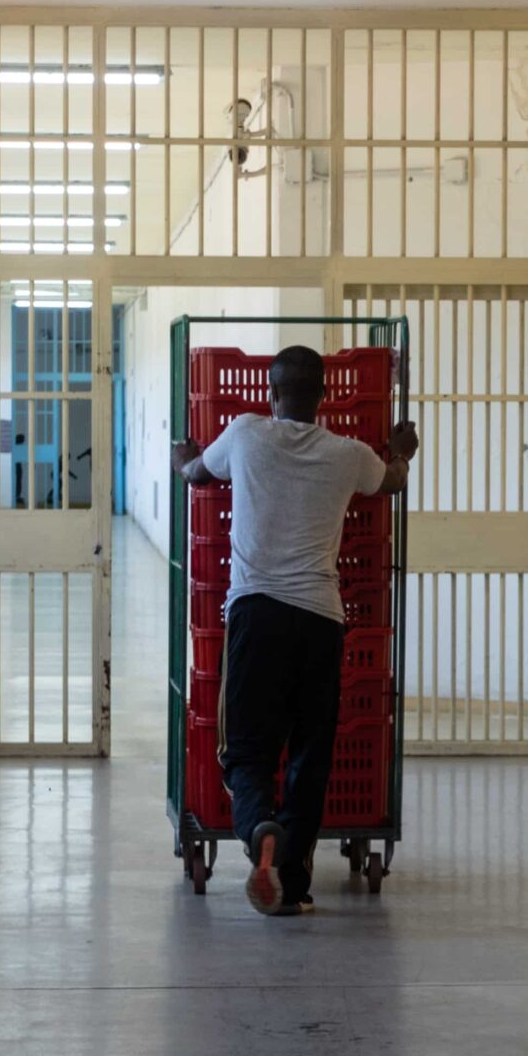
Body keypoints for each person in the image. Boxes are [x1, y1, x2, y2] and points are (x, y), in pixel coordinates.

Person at [174, 346, 416, 915]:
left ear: (271, 391)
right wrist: (403, 452)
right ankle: (292, 884)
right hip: (321, 619)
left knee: (247, 752)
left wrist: (180, 455)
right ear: (325, 396)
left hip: (256, 614)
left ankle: (259, 824)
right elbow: (393, 483)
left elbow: (194, 474)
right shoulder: (349, 453)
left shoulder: (245, 434)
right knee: (311, 753)